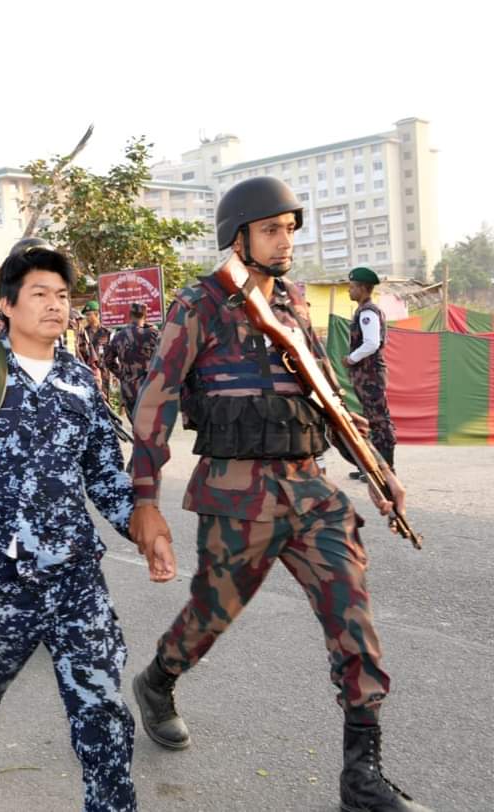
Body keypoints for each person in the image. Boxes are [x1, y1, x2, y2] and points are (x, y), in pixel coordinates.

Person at [127, 176, 428, 812]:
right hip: (237, 495)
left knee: (354, 619)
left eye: (290, 228)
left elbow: (328, 395)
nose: (284, 239)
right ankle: (159, 682)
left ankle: (362, 776)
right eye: (271, 228)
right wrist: (145, 496)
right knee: (210, 616)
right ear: (238, 237)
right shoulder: (200, 304)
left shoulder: (292, 302)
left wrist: (378, 470)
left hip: (309, 488)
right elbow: (155, 401)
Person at [0, 238, 173, 807]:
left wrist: (141, 525)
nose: (56, 304)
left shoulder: (80, 381)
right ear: (6, 304)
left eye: (62, 295)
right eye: (39, 294)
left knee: (102, 707)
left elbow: (104, 473)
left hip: (76, 578)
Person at [344, 266, 397, 479]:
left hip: (370, 374)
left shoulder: (368, 312)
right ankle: (372, 467)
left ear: (363, 288)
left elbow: (372, 343)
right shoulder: (364, 310)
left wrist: (351, 358)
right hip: (366, 374)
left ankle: (387, 471)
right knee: (371, 419)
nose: (349, 290)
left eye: (352, 287)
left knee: (379, 421)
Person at [104, 302, 160, 425]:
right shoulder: (153, 334)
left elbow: (107, 361)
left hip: (129, 390)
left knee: (138, 430)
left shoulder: (119, 336)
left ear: (130, 315)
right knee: (153, 431)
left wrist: (122, 374)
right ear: (146, 315)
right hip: (150, 388)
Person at [77, 300, 112, 392]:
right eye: (86, 315)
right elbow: (80, 351)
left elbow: (112, 353)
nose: (87, 318)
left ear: (96, 314)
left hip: (104, 372)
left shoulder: (107, 332)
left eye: (89, 314)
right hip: (89, 372)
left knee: (105, 399)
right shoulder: (83, 333)